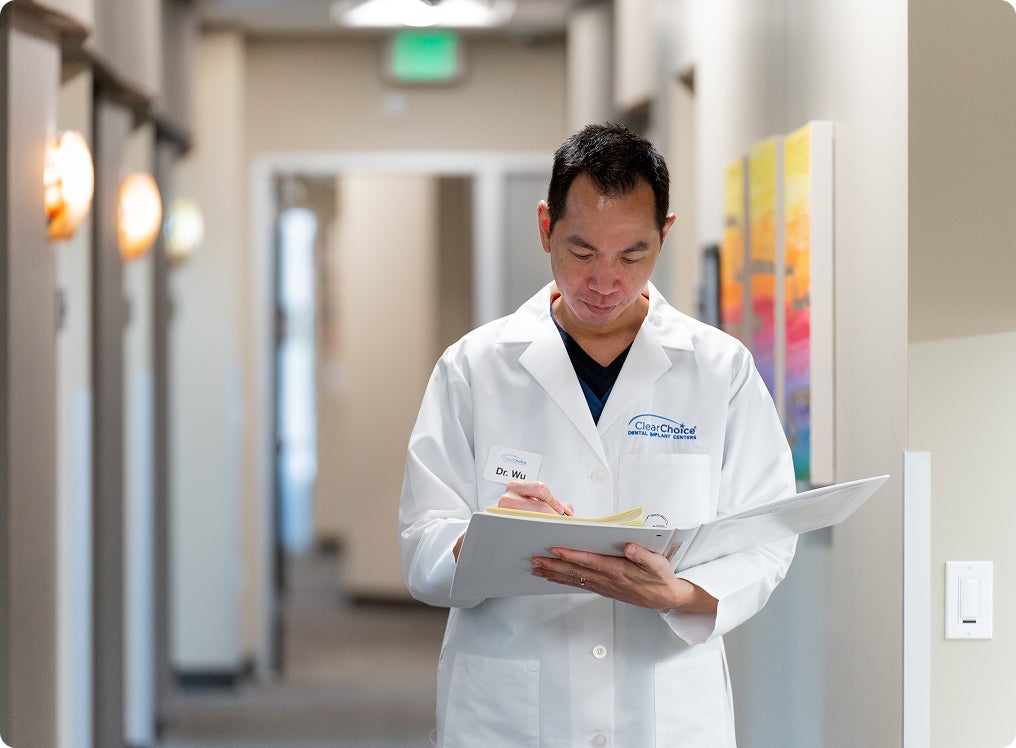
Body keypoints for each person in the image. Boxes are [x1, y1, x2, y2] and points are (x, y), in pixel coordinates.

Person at [399, 123, 797, 747]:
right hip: (510, 715)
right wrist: (484, 537)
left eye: (632, 255)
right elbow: (422, 543)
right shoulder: (474, 368)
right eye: (582, 252)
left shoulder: (720, 370)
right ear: (544, 227)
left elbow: (766, 536)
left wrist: (684, 593)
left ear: (664, 233)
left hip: (665, 709)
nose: (605, 280)